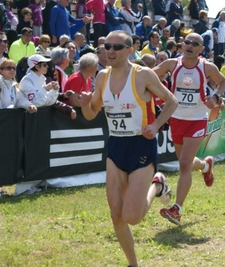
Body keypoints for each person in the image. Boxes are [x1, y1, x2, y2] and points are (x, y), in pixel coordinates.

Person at [79, 30, 178, 267]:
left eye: (117, 47)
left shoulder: (142, 75)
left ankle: (158, 185)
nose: (110, 51)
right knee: (116, 214)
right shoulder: (102, 77)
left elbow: (171, 101)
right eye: (107, 46)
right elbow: (92, 113)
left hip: (140, 145)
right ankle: (133, 264)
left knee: (132, 216)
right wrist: (84, 104)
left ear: (129, 50)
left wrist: (155, 125)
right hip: (116, 146)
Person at [153, 33, 225, 225]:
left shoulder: (207, 67)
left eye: (195, 44)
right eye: (187, 42)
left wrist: (216, 98)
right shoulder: (172, 64)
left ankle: (177, 209)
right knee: (185, 162)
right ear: (182, 45)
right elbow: (149, 75)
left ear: (201, 49)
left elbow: (223, 82)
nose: (190, 45)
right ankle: (205, 166)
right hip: (176, 118)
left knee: (184, 164)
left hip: (197, 119)